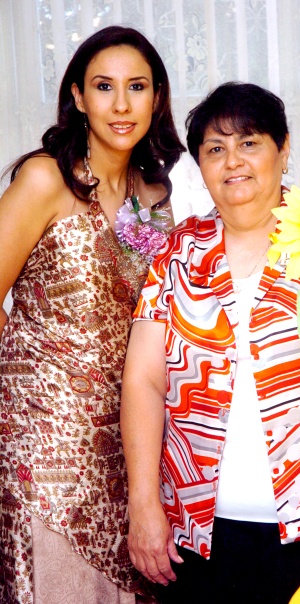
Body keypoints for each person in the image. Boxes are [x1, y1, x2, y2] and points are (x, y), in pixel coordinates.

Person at [120, 82, 300, 604]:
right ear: (200, 166)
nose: (233, 162)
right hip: (199, 533)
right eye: (215, 149)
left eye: (249, 143)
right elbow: (143, 380)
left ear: (283, 148)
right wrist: (143, 504)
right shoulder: (178, 253)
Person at [0, 25, 184, 604]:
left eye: (137, 87)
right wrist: (25, 381)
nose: (121, 104)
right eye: (104, 87)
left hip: (129, 442)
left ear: (157, 97)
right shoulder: (44, 179)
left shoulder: (155, 196)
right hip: (44, 446)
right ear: (78, 97)